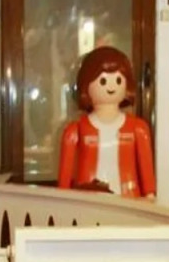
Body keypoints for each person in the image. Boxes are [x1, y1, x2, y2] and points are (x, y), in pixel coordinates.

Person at [57, 46, 156, 198]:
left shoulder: (138, 128)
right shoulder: (75, 130)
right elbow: (64, 178)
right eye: (102, 81)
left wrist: (150, 195)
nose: (111, 86)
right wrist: (62, 201)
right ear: (86, 84)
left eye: (118, 80)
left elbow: (147, 171)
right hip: (88, 199)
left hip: (128, 199)